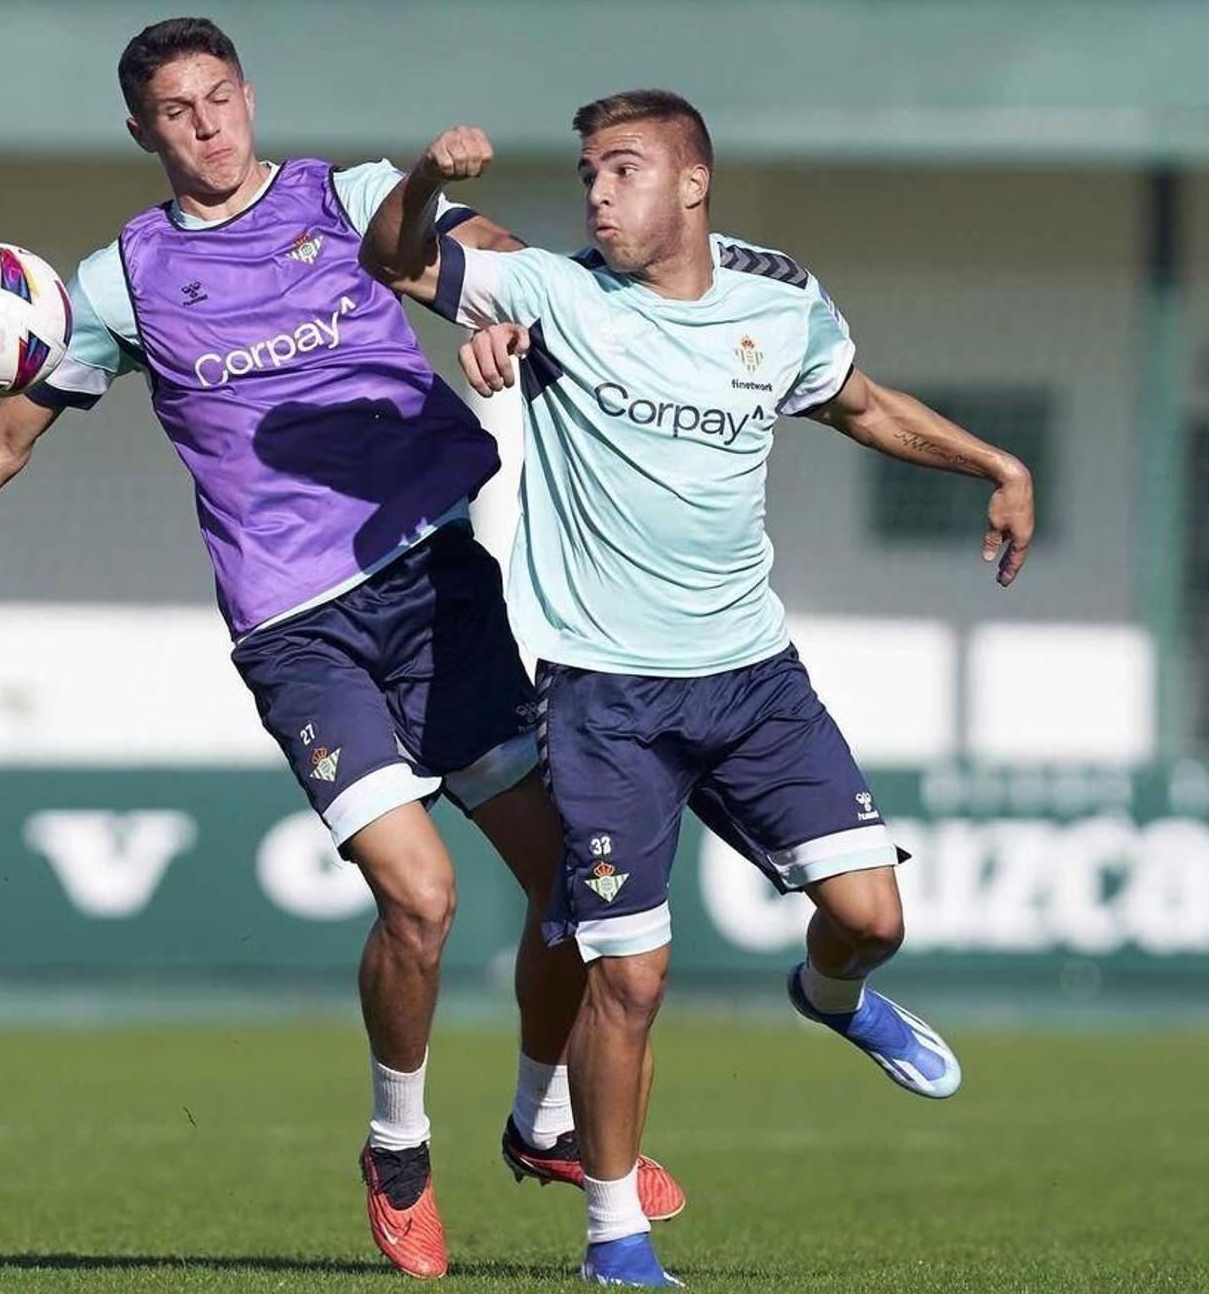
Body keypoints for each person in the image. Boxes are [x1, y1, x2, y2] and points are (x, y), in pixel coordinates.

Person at [0, 22, 683, 1280]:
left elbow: (499, 267)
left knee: (575, 892)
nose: (206, 125)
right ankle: (396, 1146)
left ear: (248, 96)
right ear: (141, 131)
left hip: (437, 588)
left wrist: (509, 317)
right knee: (419, 896)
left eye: (220, 97)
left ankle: (540, 1119)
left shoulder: (351, 197)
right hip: (297, 627)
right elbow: (3, 442)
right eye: (176, 111)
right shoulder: (123, 281)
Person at [363, 94, 1036, 1287]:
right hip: (607, 698)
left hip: (754, 681)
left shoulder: (777, 304)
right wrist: (424, 175)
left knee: (874, 920)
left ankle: (830, 995)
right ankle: (614, 1237)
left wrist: (994, 460)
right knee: (631, 972)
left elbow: (862, 404)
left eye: (621, 169)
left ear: (691, 186)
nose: (595, 193)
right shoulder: (556, 298)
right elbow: (398, 256)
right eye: (583, 174)